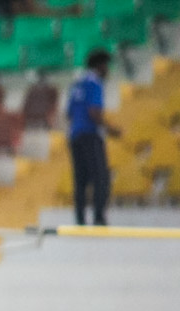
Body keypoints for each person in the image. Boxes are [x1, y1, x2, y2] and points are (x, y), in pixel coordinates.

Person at [67, 48, 122, 226]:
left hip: (75, 135)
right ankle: (99, 218)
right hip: (90, 135)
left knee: (80, 179)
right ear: (100, 66)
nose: (108, 70)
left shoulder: (77, 83)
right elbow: (94, 112)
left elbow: (69, 114)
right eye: (107, 66)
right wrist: (112, 130)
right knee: (100, 177)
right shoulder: (95, 83)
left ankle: (80, 219)